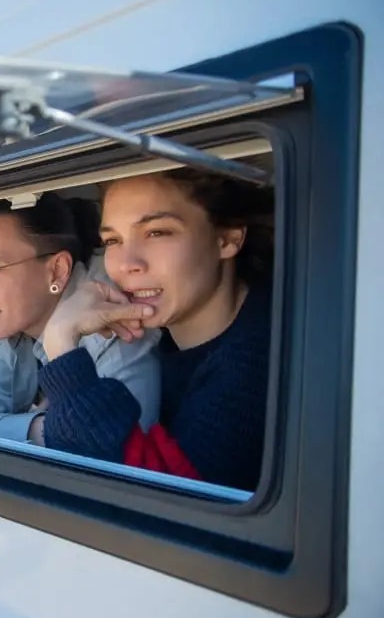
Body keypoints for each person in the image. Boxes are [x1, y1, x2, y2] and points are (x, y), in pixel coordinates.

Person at [33, 168, 275, 491]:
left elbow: (137, 496)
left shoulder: (257, 363)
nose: (126, 264)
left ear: (228, 238)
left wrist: (61, 341)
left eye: (157, 233)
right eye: (113, 240)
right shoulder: (172, 341)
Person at [0, 192, 162, 444]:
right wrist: (46, 428)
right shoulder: (6, 324)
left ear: (57, 270)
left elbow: (117, 458)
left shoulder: (115, 332)